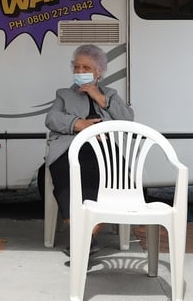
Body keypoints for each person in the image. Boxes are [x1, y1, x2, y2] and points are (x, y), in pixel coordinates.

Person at [44, 44, 134, 252]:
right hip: (70, 148)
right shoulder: (64, 94)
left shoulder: (109, 94)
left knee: (110, 178)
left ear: (98, 71)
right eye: (77, 68)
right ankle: (84, 239)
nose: (80, 72)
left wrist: (99, 97)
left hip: (102, 149)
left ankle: (83, 239)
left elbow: (128, 119)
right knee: (64, 177)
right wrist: (78, 123)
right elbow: (52, 118)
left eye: (86, 68)